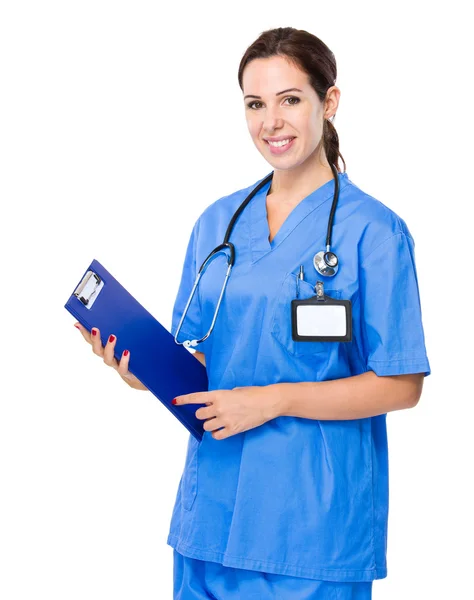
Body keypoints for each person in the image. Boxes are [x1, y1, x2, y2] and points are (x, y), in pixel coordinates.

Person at [75, 26, 431, 600]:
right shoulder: (218, 223)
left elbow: (402, 383)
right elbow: (203, 361)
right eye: (255, 104)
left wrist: (275, 399)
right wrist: (142, 372)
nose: (272, 122)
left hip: (313, 527)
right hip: (210, 517)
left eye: (290, 99)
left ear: (329, 101)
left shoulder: (375, 232)